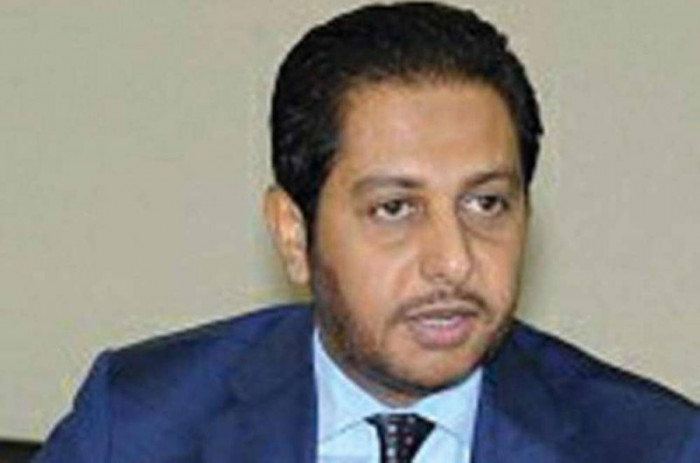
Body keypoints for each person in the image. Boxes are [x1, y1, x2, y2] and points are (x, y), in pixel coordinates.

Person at [34, 2, 698, 462]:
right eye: (395, 209)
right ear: (293, 235)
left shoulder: (656, 446)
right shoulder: (138, 424)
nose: (454, 261)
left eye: (487, 203)